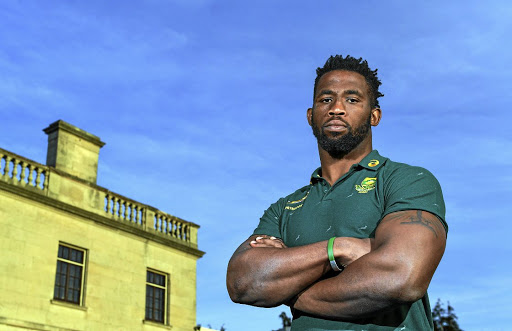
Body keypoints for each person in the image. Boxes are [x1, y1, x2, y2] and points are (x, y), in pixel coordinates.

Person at [226, 54, 447, 330]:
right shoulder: (285, 208)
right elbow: (242, 282)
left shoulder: (406, 181)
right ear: (310, 115)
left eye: (352, 100)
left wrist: (291, 292)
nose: (337, 109)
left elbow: (401, 277)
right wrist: (338, 248)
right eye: (325, 99)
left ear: (374, 115)